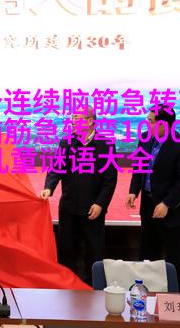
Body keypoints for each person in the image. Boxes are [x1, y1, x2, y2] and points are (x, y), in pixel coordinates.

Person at [40, 106, 118, 284]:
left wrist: (100, 204)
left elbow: (110, 180)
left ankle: (93, 291)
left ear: (90, 121)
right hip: (69, 207)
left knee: (94, 253)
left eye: (77, 118)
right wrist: (48, 187)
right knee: (67, 252)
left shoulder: (105, 145)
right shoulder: (67, 143)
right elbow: (56, 168)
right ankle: (66, 289)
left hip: (93, 209)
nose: (73, 121)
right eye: (73, 117)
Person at [126, 104, 180, 292]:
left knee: (175, 260)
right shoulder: (145, 140)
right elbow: (139, 168)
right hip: (149, 207)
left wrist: (167, 203)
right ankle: (146, 296)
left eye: (151, 121)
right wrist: (133, 191)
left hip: (173, 212)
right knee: (148, 256)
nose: (147, 124)